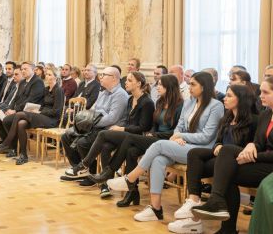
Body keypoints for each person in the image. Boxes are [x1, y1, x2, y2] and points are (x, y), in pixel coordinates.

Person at [107, 71, 224, 222]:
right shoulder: (189, 102)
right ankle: (155, 209)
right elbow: (179, 127)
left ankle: (130, 179)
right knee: (158, 160)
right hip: (183, 145)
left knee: (159, 144)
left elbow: (207, 136)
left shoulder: (216, 106)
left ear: (205, 86)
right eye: (189, 84)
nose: (189, 87)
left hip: (202, 149)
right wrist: (177, 137)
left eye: (193, 84)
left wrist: (181, 136)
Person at [191, 76, 273, 234]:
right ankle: (227, 228)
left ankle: (216, 202)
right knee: (227, 166)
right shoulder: (266, 115)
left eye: (266, 92)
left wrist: (255, 154)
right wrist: (252, 145)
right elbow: (258, 143)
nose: (260, 95)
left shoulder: (259, 117)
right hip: (261, 161)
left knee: (228, 156)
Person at [168, 84, 257, 234]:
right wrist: (218, 144)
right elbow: (219, 140)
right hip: (220, 156)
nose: (225, 98)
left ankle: (207, 218)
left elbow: (252, 147)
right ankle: (193, 200)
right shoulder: (226, 118)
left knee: (220, 168)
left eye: (229, 96)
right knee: (194, 154)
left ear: (240, 99)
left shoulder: (253, 121)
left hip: (236, 160)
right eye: (226, 95)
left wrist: (224, 148)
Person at [89, 74, 184, 204]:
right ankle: (132, 193)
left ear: (170, 87)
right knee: (131, 151)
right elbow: (153, 125)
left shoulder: (180, 105)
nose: (158, 87)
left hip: (167, 141)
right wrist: (152, 133)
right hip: (153, 138)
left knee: (125, 137)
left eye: (161, 85)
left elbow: (176, 131)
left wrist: (154, 135)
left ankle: (109, 170)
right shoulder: (160, 101)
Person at [67, 71, 154, 197]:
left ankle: (85, 164)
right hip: (127, 134)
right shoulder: (131, 99)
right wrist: (121, 128)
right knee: (105, 146)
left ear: (139, 83)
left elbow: (143, 127)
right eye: (127, 80)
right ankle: (105, 185)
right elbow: (126, 121)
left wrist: (122, 129)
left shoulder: (147, 102)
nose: (126, 82)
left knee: (103, 134)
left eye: (130, 80)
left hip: (137, 137)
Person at [60, 66, 129, 187]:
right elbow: (93, 109)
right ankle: (78, 169)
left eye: (104, 75)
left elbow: (112, 118)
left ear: (113, 78)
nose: (100, 77)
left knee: (82, 142)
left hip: (108, 129)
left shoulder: (120, 95)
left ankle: (90, 173)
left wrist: (91, 122)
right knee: (66, 136)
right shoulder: (103, 92)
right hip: (95, 125)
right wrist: (89, 120)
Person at [0, 66, 64, 165]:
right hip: (42, 116)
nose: (47, 77)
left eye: (50, 75)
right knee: (21, 123)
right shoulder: (46, 89)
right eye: (46, 74)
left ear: (56, 77)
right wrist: (36, 109)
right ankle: (23, 155)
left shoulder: (59, 90)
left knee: (20, 114)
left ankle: (7, 142)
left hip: (52, 119)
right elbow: (42, 105)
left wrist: (40, 112)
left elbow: (57, 111)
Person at [0, 62, 45, 158]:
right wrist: (10, 109)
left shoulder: (37, 82)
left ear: (32, 70)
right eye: (22, 69)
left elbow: (31, 100)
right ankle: (11, 146)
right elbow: (17, 98)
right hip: (20, 110)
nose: (23, 71)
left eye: (26, 69)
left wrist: (15, 110)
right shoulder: (23, 82)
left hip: (31, 111)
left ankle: (10, 145)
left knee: (7, 120)